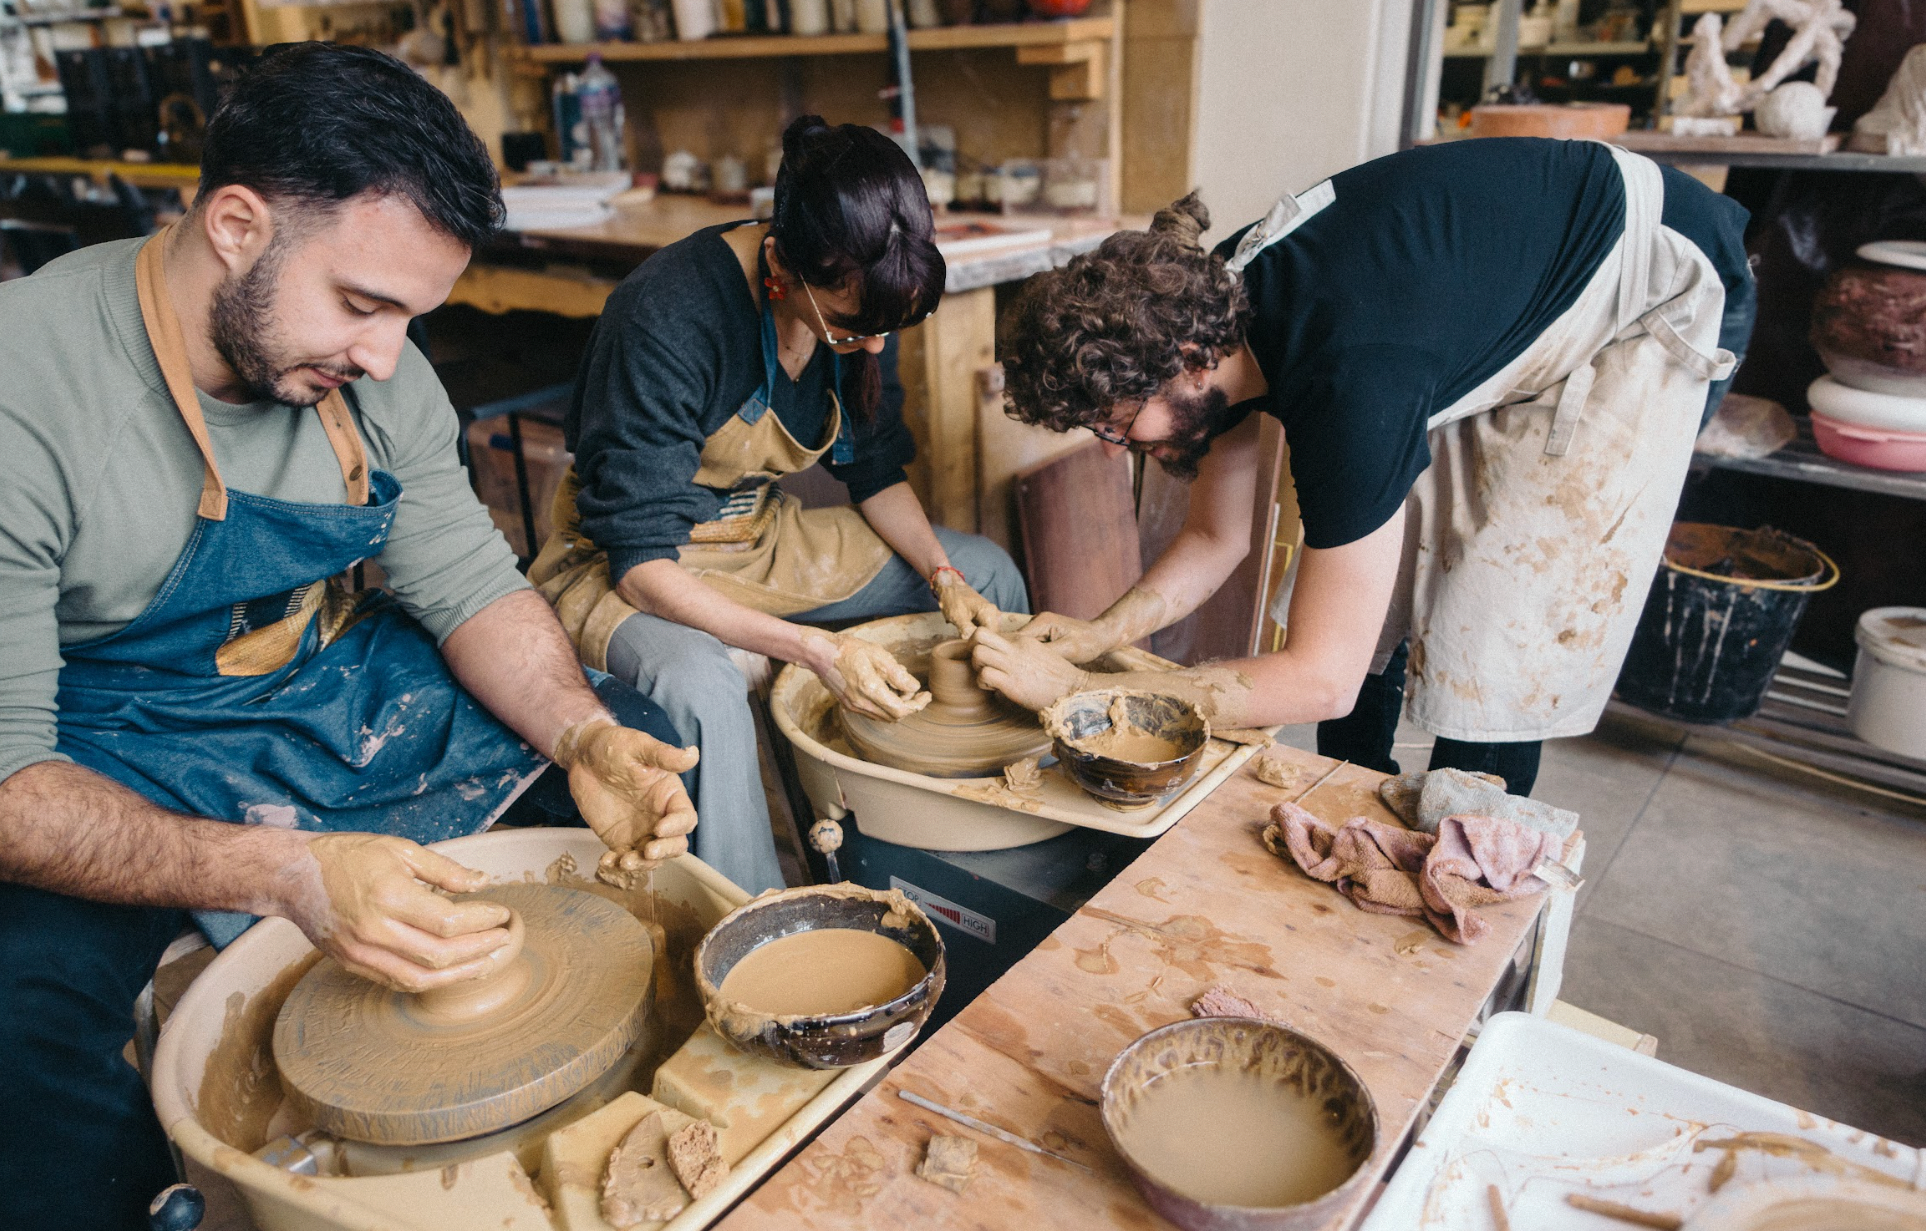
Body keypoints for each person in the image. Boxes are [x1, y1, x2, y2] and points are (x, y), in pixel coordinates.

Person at [0, 44, 700, 1231]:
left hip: (319, 679)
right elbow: (9, 788)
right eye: (364, 303)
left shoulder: (375, 375)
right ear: (235, 222)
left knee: (632, 741)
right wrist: (288, 871)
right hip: (97, 732)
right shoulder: (29, 391)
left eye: (411, 315)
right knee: (21, 1034)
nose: (384, 355)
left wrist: (583, 735)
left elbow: (472, 584)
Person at [977, 138, 1754, 796]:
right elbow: (1219, 536)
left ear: (1187, 360)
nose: (1121, 444)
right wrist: (1098, 632)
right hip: (1484, 276)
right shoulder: (1202, 311)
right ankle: (1359, 787)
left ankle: (1471, 837)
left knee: (1500, 617)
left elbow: (1323, 677)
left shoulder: (1350, 381)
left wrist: (1091, 694)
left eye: (1119, 423)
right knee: (1368, 584)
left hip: (1653, 283)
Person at [532, 116, 1027, 893]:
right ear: (782, 266)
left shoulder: (864, 298)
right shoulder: (669, 313)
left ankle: (989, 839)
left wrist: (944, 578)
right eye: (854, 327)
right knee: (703, 687)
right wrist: (818, 654)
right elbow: (638, 565)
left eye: (882, 331)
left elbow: (874, 474)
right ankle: (754, 917)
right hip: (626, 560)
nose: (871, 347)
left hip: (754, 535)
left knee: (987, 573)